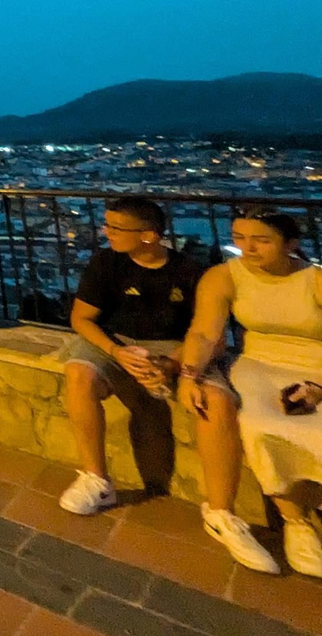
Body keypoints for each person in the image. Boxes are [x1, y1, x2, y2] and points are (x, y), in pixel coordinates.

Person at [55, 198, 250, 541]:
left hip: (176, 345)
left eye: (116, 228)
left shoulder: (190, 272)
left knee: (216, 402)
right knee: (79, 373)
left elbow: (213, 337)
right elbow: (81, 319)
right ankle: (96, 479)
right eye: (108, 225)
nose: (107, 232)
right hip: (116, 343)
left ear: (147, 236)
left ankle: (221, 511)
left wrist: (174, 363)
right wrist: (116, 350)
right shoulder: (107, 263)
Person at [179, 210, 322, 576]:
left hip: (315, 367)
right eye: (239, 237)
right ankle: (297, 524)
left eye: (261, 239)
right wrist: (189, 374)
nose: (247, 247)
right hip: (257, 363)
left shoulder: (314, 280)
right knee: (260, 422)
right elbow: (204, 332)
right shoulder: (225, 276)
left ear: (291, 245)